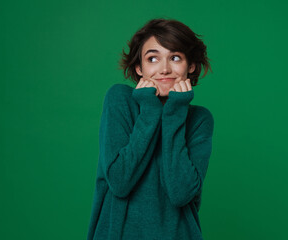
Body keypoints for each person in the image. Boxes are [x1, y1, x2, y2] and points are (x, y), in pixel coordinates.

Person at [87, 18, 214, 240]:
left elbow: (180, 193)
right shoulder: (120, 99)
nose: (164, 69)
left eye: (175, 57)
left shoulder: (199, 119)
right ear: (139, 67)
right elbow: (119, 183)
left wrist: (175, 112)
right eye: (153, 58)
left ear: (190, 66)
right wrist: (150, 111)